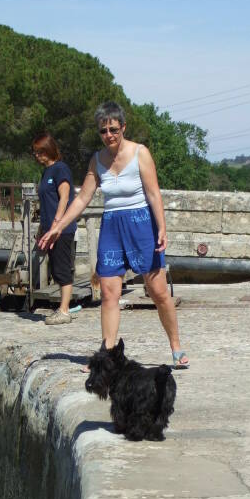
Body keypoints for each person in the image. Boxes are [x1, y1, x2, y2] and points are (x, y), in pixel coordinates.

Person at [38, 101, 189, 368]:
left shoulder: (140, 153)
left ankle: (176, 346)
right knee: (109, 293)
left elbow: (154, 193)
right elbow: (83, 197)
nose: (108, 135)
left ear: (123, 127)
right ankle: (108, 355)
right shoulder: (97, 161)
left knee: (157, 291)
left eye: (113, 129)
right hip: (112, 226)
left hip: (142, 223)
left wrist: (162, 227)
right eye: (103, 131)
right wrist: (58, 226)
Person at [32, 132, 77, 325]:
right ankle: (62, 308)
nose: (36, 156)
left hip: (62, 229)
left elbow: (64, 198)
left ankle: (65, 311)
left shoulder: (61, 169)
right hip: (49, 228)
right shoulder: (45, 172)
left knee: (62, 267)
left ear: (48, 150)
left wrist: (57, 223)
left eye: (39, 152)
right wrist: (44, 228)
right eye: (35, 152)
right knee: (55, 268)